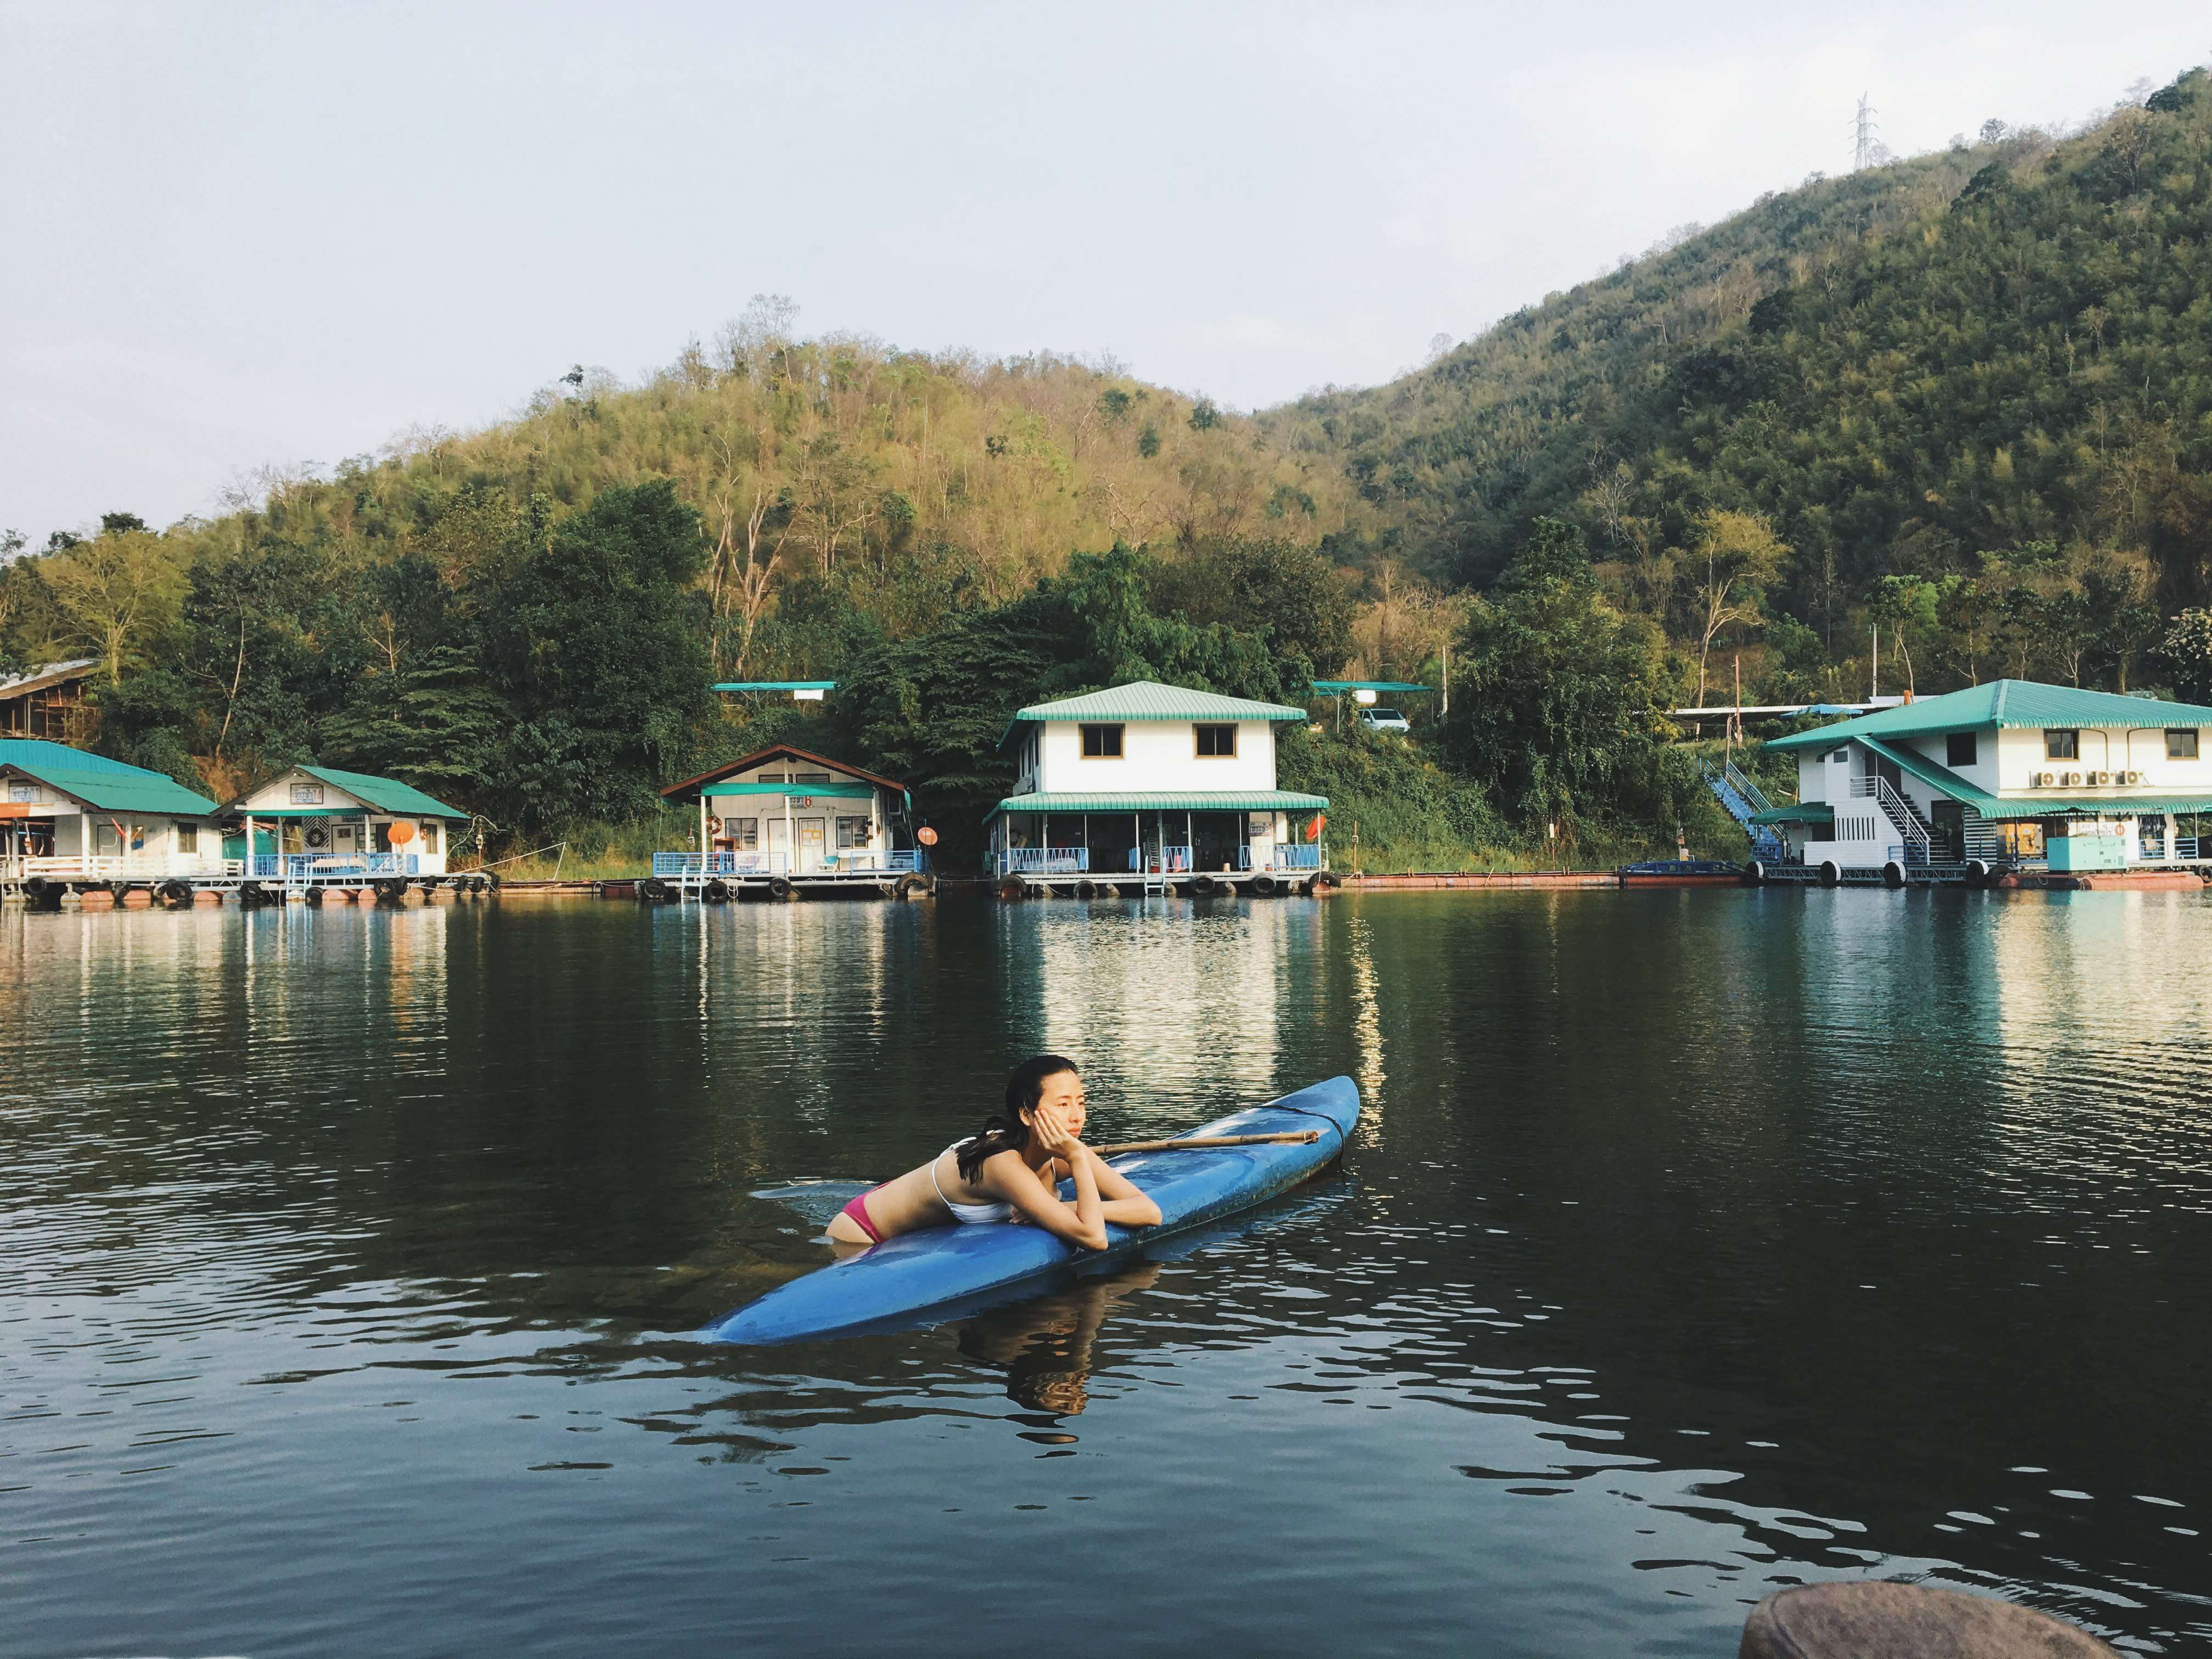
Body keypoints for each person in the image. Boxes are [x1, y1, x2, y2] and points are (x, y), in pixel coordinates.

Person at [826, 1055, 1163, 1251]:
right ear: (1027, 1114)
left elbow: (1149, 1212)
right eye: (1062, 1105)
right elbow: (1094, 1238)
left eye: (1081, 1102)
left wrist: (1068, 1206)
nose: (1076, 1116)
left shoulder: (1064, 1147)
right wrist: (1076, 1160)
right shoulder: (1002, 1163)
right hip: (861, 1234)